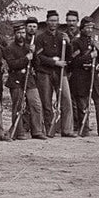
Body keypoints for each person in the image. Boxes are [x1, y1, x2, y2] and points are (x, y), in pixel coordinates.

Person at [69, 17, 99, 137]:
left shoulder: (94, 41)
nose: (90, 30)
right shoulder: (76, 42)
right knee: (82, 104)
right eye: (87, 27)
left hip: (92, 75)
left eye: (91, 27)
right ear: (82, 28)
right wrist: (90, 55)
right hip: (80, 76)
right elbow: (74, 62)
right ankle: (84, 130)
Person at [3, 18, 47, 140]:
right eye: (18, 33)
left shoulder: (29, 47)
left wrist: (34, 54)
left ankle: (37, 131)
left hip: (29, 80)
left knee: (36, 104)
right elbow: (12, 64)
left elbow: (37, 65)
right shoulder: (9, 48)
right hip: (16, 79)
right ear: (15, 34)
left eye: (23, 32)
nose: (21, 35)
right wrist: (26, 58)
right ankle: (19, 132)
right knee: (18, 105)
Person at [34, 10, 76, 138]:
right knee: (46, 102)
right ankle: (49, 129)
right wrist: (54, 62)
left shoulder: (62, 37)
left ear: (58, 22)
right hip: (45, 72)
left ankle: (67, 130)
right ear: (47, 22)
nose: (53, 23)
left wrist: (68, 43)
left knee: (66, 100)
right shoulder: (40, 38)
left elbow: (69, 56)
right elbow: (39, 57)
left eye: (56, 21)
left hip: (60, 73)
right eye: (51, 21)